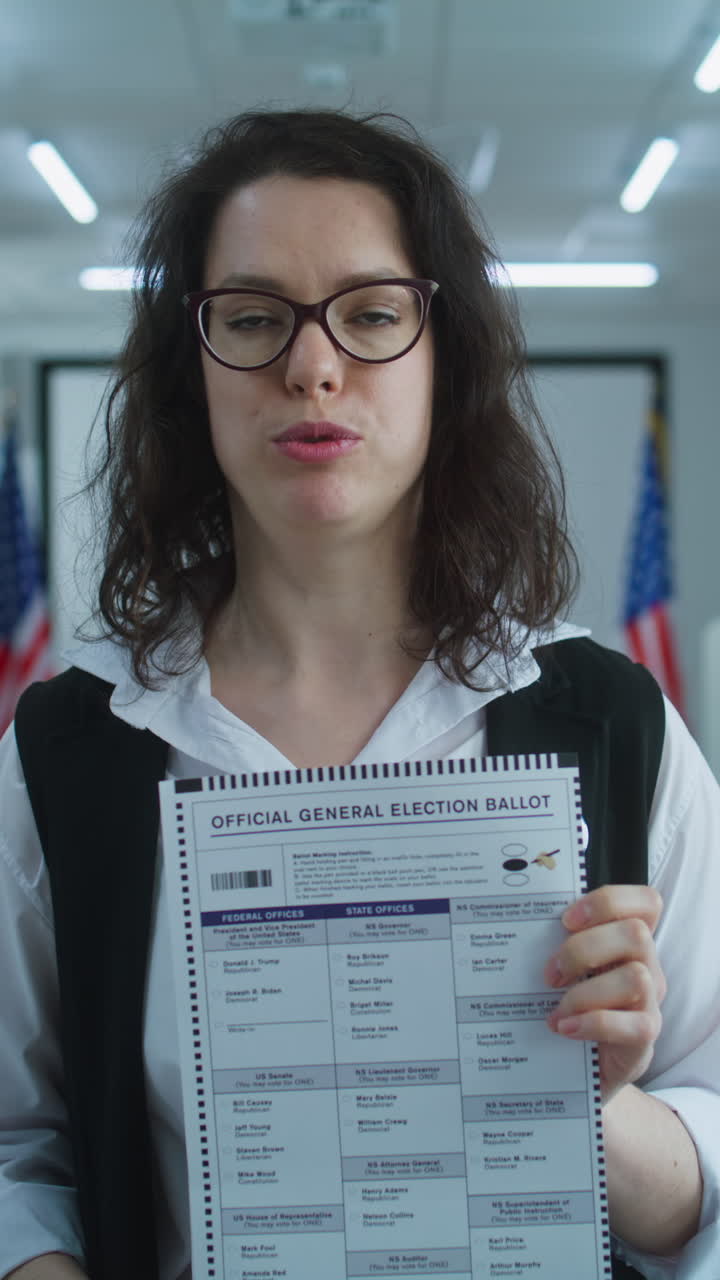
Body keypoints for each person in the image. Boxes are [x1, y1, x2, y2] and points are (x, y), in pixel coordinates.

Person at [0, 108, 718, 1280]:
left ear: (447, 360)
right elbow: (15, 1151)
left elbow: (701, 1175)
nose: (312, 364)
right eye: (252, 318)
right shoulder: (69, 745)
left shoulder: (614, 721)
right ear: (196, 369)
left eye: (373, 314)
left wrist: (587, 1101)